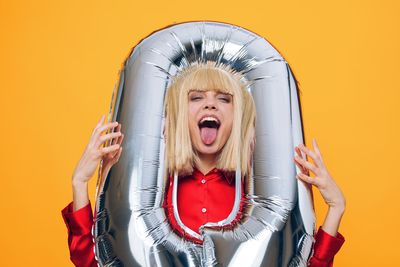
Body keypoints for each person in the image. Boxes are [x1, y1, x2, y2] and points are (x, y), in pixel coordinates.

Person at [62, 62, 345, 267]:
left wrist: (336, 208)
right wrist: (80, 184)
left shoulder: (257, 201)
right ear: (177, 114)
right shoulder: (152, 194)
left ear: (239, 117)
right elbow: (97, 261)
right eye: (196, 97)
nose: (210, 106)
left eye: (224, 99)